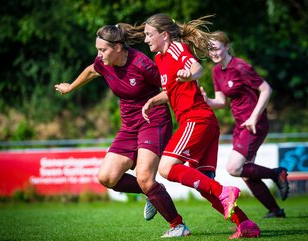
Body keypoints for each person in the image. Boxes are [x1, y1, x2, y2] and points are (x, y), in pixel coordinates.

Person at [54, 24, 189, 237]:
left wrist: (153, 102)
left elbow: (170, 89)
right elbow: (91, 70)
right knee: (107, 177)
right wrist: (70, 87)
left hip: (153, 120)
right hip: (129, 126)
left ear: (118, 48)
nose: (99, 55)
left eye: (103, 50)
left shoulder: (142, 64)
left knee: (144, 177)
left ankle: (178, 225)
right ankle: (152, 193)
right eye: (97, 50)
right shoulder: (103, 63)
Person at [140, 13, 260, 239]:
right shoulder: (160, 59)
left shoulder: (175, 48)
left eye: (149, 34)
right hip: (202, 122)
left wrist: (190, 73)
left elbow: (197, 68)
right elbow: (173, 90)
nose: (146, 39)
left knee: (166, 168)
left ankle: (225, 191)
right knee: (203, 184)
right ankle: (246, 224)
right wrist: (153, 101)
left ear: (164, 35)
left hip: (196, 119)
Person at [200, 30, 289, 218]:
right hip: (241, 125)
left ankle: (276, 174)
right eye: (210, 50)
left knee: (234, 168)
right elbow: (221, 102)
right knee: (247, 173)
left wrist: (254, 117)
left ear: (226, 46)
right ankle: (275, 210)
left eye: (216, 48)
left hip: (254, 124)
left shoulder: (240, 67)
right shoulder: (217, 71)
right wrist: (207, 100)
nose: (213, 53)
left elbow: (266, 89)